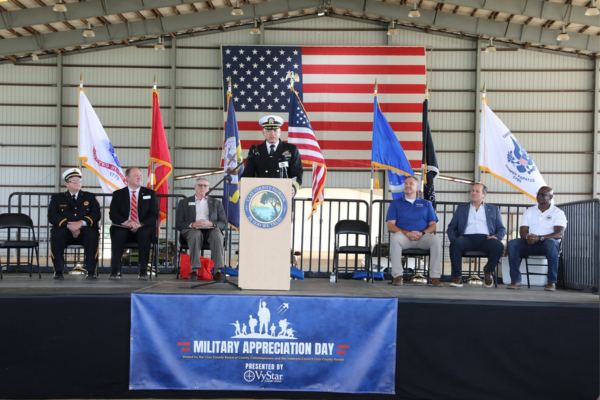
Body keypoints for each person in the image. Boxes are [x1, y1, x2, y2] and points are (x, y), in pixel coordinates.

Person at [506, 186, 567, 291]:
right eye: (538, 194)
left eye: (543, 194)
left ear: (550, 197)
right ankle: (515, 281)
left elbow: (559, 234)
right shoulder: (529, 211)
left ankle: (551, 282)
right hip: (530, 242)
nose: (539, 196)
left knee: (552, 244)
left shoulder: (557, 212)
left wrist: (540, 238)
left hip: (547, 243)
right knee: (512, 244)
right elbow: (523, 231)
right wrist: (528, 237)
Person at [386, 176, 443, 287]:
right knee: (395, 238)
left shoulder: (426, 204)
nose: (408, 185)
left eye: (411, 183)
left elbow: (433, 226)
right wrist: (407, 233)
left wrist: (422, 233)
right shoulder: (395, 204)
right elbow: (390, 226)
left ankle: (434, 277)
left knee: (436, 240)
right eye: (406, 183)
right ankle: (397, 276)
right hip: (404, 237)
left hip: (422, 237)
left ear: (417, 187)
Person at [447, 183, 506, 288]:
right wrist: (454, 239)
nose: (473, 193)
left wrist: (496, 237)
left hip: (486, 239)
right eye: (472, 190)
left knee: (498, 246)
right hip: (466, 238)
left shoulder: (493, 209)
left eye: (477, 191)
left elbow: (501, 228)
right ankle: (457, 277)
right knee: (455, 244)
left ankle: (488, 270)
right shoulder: (461, 208)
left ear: (484, 195)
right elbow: (451, 227)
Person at [48, 168, 100, 280]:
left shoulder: (90, 197)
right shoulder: (57, 198)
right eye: (74, 180)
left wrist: (80, 223)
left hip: (85, 230)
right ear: (67, 184)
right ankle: (58, 270)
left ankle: (91, 271)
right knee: (56, 234)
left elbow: (96, 214)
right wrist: (69, 225)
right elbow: (52, 216)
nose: (77, 182)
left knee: (93, 234)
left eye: (79, 180)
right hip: (65, 230)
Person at [109, 167, 158, 280]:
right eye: (136, 175)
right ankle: (115, 270)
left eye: (140, 175)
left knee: (144, 234)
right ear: (127, 178)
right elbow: (113, 214)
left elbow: (153, 214)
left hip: (143, 226)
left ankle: (143, 270)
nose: (139, 177)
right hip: (123, 226)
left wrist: (139, 224)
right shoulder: (118, 194)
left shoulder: (150, 193)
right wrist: (127, 222)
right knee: (119, 234)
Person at [175, 177, 226, 281]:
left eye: (205, 185)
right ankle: (194, 270)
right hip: (191, 231)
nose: (202, 187)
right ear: (195, 187)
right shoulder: (184, 202)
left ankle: (217, 271)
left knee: (217, 233)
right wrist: (193, 224)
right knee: (195, 233)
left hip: (210, 230)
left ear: (208, 188)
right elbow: (179, 224)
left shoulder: (216, 203)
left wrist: (211, 223)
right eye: (200, 185)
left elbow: (223, 224)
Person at [240, 114, 303, 196]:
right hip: (261, 195)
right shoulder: (255, 151)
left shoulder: (291, 150)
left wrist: (293, 188)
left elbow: (297, 174)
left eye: (275, 130)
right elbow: (248, 174)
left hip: (284, 195)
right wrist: (243, 184)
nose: (272, 133)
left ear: (280, 132)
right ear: (263, 133)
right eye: (268, 130)